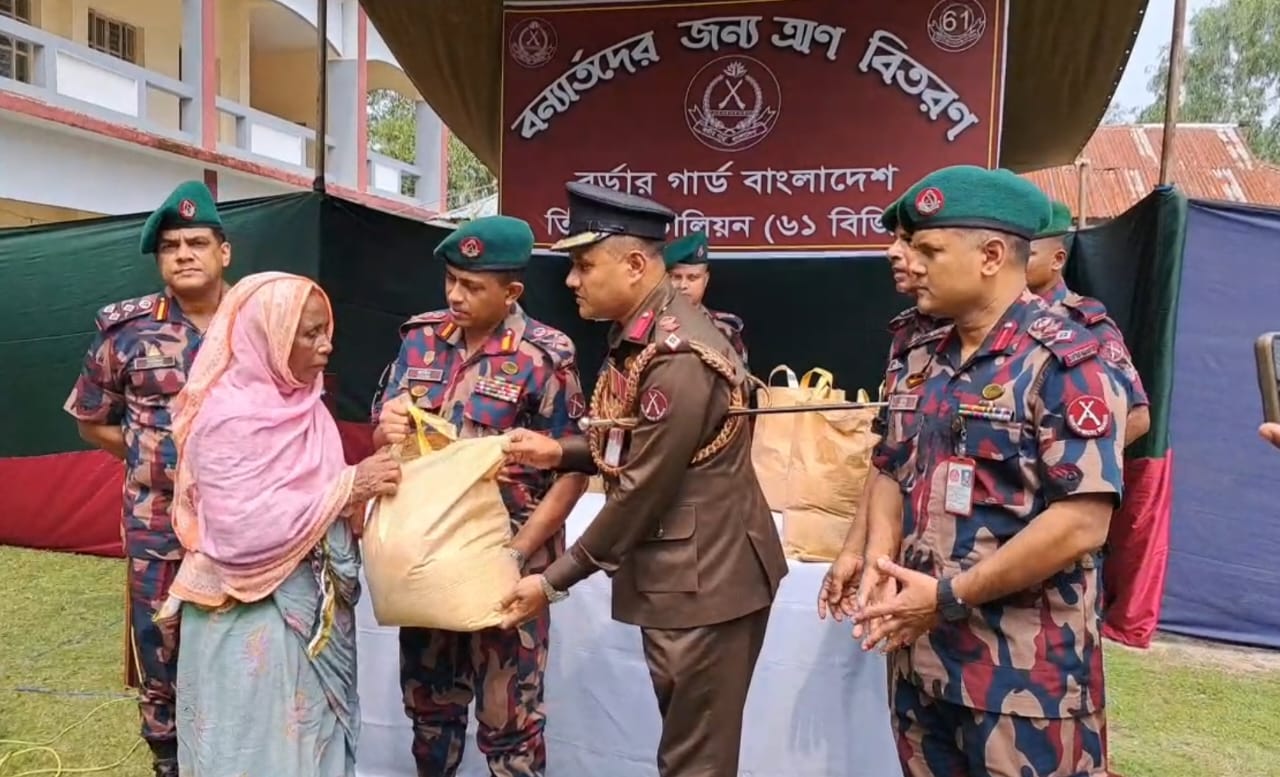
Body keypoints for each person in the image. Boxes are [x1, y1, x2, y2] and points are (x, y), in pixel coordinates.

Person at [498, 182, 789, 777]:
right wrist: (560, 452)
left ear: (635, 265)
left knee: (694, 761)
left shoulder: (676, 353)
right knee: (686, 749)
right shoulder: (645, 334)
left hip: (706, 581)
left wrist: (552, 582)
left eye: (583, 265)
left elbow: (641, 490)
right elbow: (631, 441)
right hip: (686, 575)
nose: (572, 281)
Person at [852, 166, 1129, 777]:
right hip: (922, 663)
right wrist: (878, 556)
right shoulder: (921, 355)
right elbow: (890, 468)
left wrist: (948, 596)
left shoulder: (1066, 360)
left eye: (929, 249)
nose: (908, 261)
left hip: (1024, 682)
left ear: (992, 256)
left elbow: (1083, 522)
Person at [160, 271, 401, 775]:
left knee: (311, 746)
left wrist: (356, 496)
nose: (327, 345)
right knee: (259, 753)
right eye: (309, 333)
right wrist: (348, 488)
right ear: (266, 335)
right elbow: (238, 535)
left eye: (326, 329)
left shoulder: (306, 406)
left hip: (311, 614)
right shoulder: (228, 418)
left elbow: (318, 506)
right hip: (253, 619)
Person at [372, 215, 588, 777]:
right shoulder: (419, 339)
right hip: (429, 558)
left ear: (511, 291)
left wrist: (520, 555)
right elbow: (383, 434)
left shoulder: (545, 355)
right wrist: (387, 427)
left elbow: (574, 467)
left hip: (506, 562)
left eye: (471, 286)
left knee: (510, 726)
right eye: (450, 279)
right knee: (430, 716)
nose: (454, 295)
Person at [61, 180, 230, 777]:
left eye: (196, 242)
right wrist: (149, 457)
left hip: (245, 522)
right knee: (162, 648)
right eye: (170, 247)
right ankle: (170, 763)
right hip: (157, 523)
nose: (183, 254)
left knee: (241, 642)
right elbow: (90, 422)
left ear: (223, 252)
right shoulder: (126, 332)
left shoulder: (262, 320)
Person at [818, 196, 943, 623]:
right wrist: (860, 548)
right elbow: (890, 453)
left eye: (915, 243)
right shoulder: (911, 336)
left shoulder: (1048, 345)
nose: (895, 252)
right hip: (907, 571)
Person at [1027, 199, 1151, 445]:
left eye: (1026, 255)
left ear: (1057, 259)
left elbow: (1139, 417)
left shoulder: (1087, 326)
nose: (1013, 263)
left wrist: (1082, 465)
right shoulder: (994, 320)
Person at [664, 231, 749, 370]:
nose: (683, 285)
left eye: (692, 278)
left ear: (706, 279)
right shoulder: (649, 325)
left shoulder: (725, 329)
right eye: (676, 277)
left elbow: (743, 381)